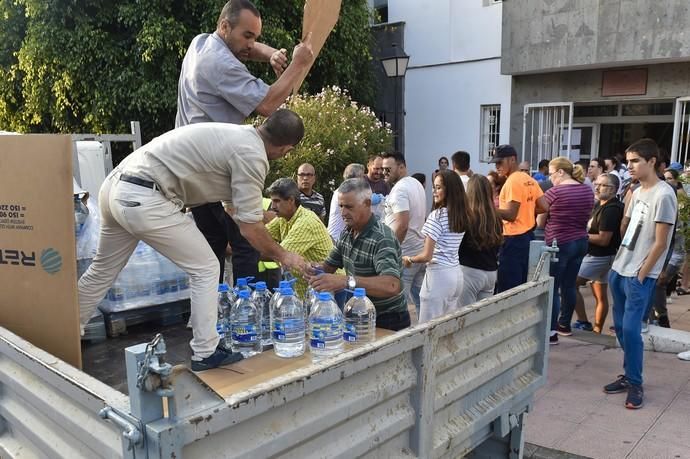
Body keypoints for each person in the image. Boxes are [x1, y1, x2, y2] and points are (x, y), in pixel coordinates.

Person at [78, 110, 308, 371]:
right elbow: (250, 230)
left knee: (101, 270)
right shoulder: (253, 155)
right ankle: (206, 351)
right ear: (287, 148)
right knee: (207, 267)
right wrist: (284, 255)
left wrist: (261, 219)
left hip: (115, 188)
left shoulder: (238, 136)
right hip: (144, 195)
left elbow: (235, 209)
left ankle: (66, 331)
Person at [175, 0, 314, 285]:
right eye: (247, 35)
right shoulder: (220, 64)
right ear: (224, 26)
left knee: (211, 250)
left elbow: (246, 51)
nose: (252, 44)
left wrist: (272, 54)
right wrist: (298, 65)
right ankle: (246, 311)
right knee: (245, 244)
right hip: (212, 169)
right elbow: (268, 103)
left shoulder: (201, 43)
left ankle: (212, 313)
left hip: (193, 173)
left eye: (256, 37)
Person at [605, 138, 677, 410]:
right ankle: (628, 374)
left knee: (632, 330)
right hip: (620, 267)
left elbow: (661, 242)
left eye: (635, 161)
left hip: (639, 274)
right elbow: (629, 229)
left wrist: (641, 273)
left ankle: (635, 382)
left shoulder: (664, 194)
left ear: (652, 162)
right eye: (628, 161)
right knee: (622, 328)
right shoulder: (636, 191)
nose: (630, 166)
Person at [308, 178, 411, 331]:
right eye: (341, 206)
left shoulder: (382, 238)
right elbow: (328, 267)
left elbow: (392, 286)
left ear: (368, 204)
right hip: (360, 314)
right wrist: (312, 269)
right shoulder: (347, 232)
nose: (343, 212)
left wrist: (345, 281)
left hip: (389, 319)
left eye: (349, 207)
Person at [403, 171, 467, 322]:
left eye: (438, 188)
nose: (434, 191)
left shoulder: (437, 216)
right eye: (434, 187)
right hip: (456, 274)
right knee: (446, 327)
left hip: (439, 276)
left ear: (449, 190)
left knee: (427, 328)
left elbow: (426, 256)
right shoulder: (462, 214)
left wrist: (409, 259)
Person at [542, 157, 593, 344]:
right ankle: (565, 325)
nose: (550, 178)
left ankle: (551, 332)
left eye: (551, 173)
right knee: (570, 285)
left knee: (553, 287)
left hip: (559, 242)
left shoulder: (553, 192)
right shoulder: (587, 190)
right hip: (580, 241)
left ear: (561, 172)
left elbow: (540, 221)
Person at [569, 173, 623, 334]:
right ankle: (597, 329)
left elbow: (603, 239)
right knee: (600, 294)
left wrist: (580, 234)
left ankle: (583, 321)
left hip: (600, 256)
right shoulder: (601, 205)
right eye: (596, 184)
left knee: (571, 284)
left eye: (603, 185)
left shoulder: (611, 209)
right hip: (602, 256)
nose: (597, 187)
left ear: (613, 189)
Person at [490, 144, 547, 293]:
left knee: (508, 290)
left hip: (513, 240)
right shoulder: (527, 178)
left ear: (512, 160)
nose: (497, 166)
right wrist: (527, 211)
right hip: (527, 236)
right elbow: (544, 206)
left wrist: (488, 210)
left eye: (500, 162)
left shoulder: (512, 181)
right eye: (495, 163)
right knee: (521, 286)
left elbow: (510, 215)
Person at [265, 178, 333, 296]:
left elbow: (280, 255)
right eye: (272, 201)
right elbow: (262, 238)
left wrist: (242, 250)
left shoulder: (305, 222)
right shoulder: (283, 218)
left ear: (291, 200)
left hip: (328, 292)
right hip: (308, 290)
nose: (272, 206)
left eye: (277, 201)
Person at [381, 152, 427, 315]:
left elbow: (402, 225)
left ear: (401, 167)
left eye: (388, 169)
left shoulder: (399, 190)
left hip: (405, 254)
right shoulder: (415, 183)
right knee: (421, 302)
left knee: (397, 305)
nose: (384, 173)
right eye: (383, 169)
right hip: (418, 250)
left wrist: (391, 251)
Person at [459, 174, 503, 306]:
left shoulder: (467, 216)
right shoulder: (496, 217)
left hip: (469, 271)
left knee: (464, 318)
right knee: (482, 319)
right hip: (490, 273)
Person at [328, 163, 366, 242]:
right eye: (362, 177)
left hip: (339, 237)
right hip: (337, 239)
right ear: (355, 178)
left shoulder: (344, 190)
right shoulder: (344, 193)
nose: (364, 179)